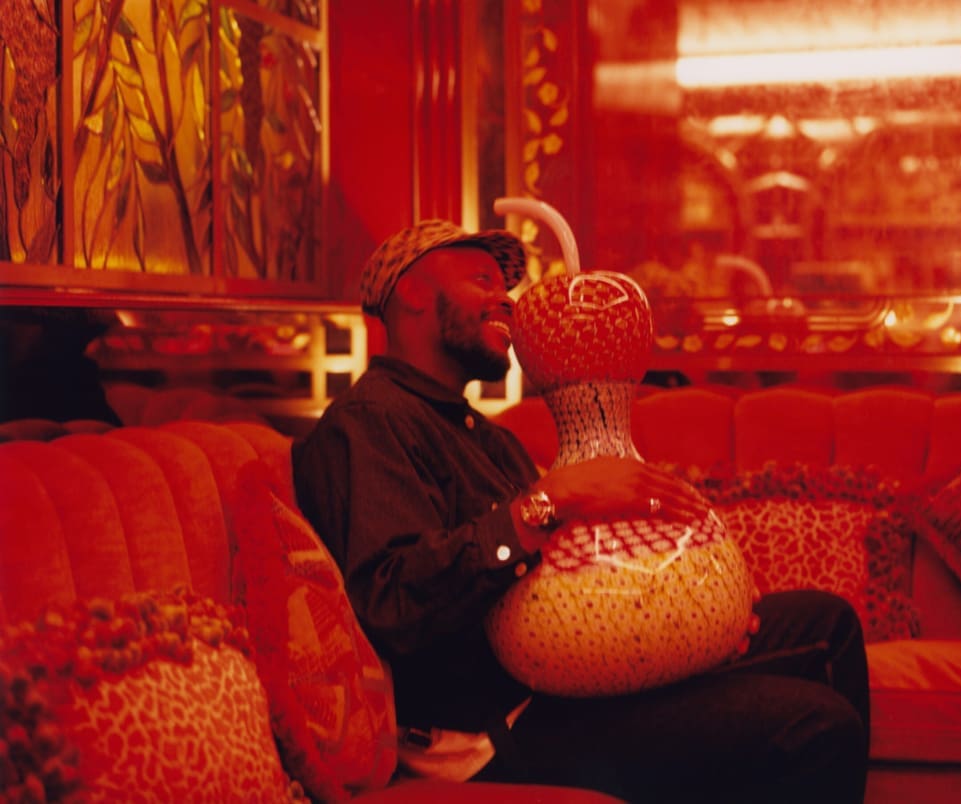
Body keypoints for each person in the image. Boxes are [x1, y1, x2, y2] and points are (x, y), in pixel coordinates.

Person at [292, 220, 870, 803]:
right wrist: (554, 499)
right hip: (487, 731)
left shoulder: (487, 438)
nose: (506, 299)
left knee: (827, 622)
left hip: (558, 682)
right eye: (482, 280)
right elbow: (393, 600)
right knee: (819, 726)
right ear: (413, 292)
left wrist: (697, 621)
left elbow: (571, 575)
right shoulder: (368, 422)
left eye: (505, 287)